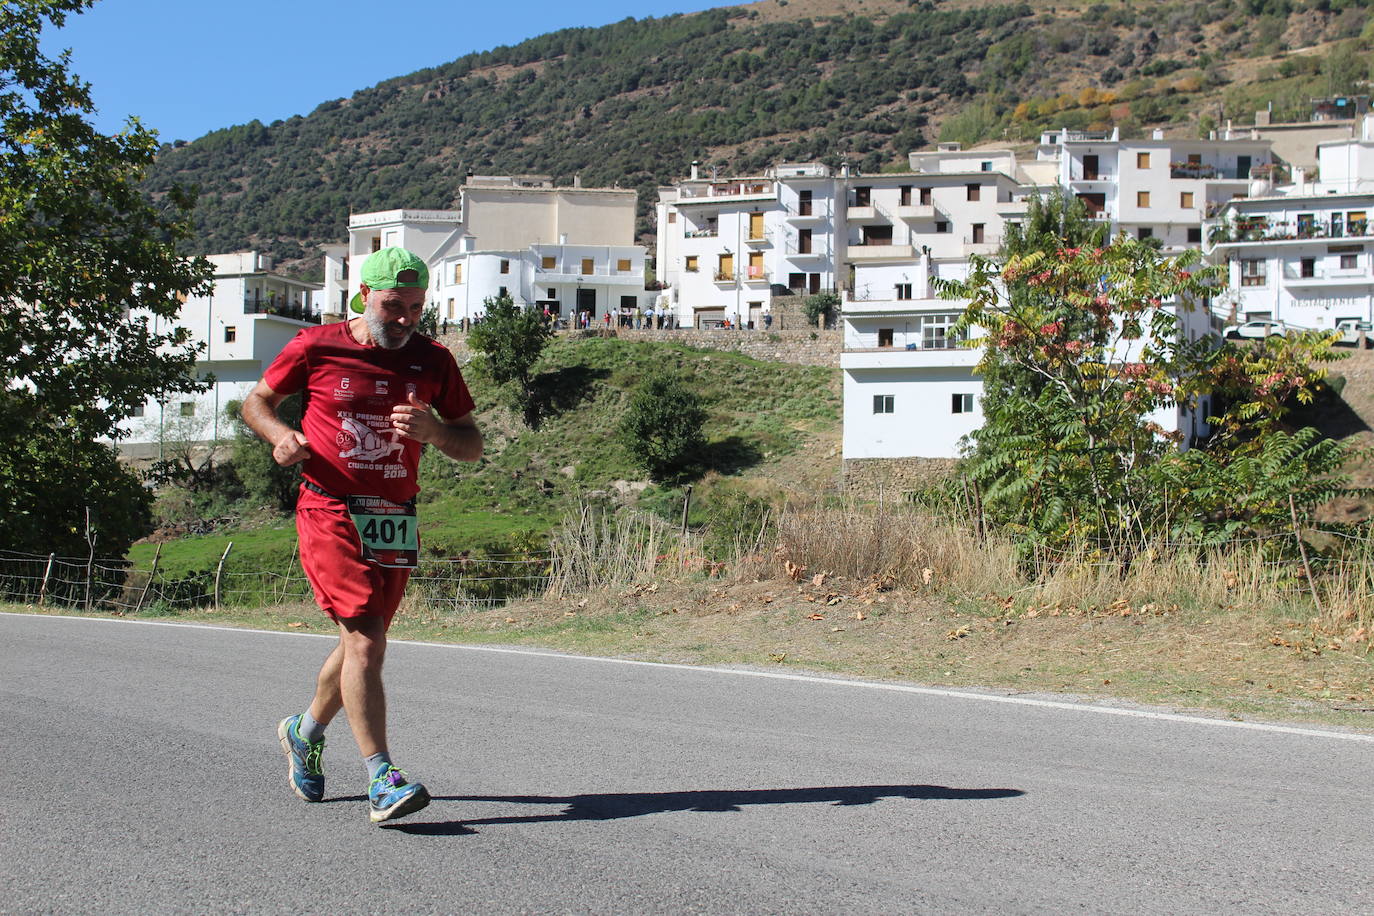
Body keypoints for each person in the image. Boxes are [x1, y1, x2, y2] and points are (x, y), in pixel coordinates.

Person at [241, 247, 483, 825]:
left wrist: (434, 432)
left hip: (395, 516)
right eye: (392, 306)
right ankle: (382, 777)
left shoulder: (435, 360)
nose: (404, 319)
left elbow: (471, 444)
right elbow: (257, 401)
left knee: (360, 644)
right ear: (363, 296)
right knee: (367, 642)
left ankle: (304, 732)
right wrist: (279, 435)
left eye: (416, 308)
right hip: (330, 509)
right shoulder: (317, 345)